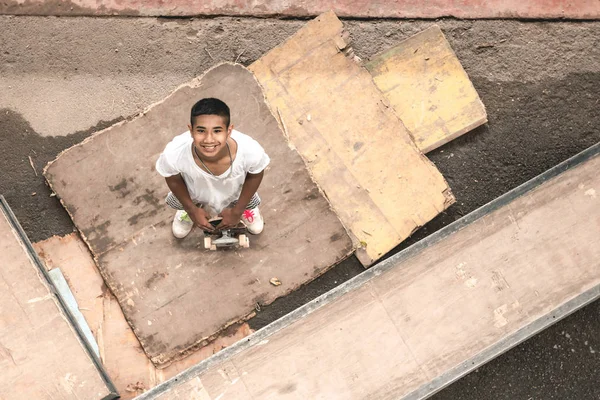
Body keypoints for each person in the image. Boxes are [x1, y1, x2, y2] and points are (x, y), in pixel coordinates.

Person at [155, 97, 269, 239]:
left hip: (234, 191)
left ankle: (245, 209)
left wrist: (237, 211)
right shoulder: (174, 153)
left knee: (241, 200)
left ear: (229, 131)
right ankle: (189, 210)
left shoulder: (250, 151)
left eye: (217, 131)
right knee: (190, 200)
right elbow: (171, 176)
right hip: (195, 191)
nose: (209, 139)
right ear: (191, 131)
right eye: (201, 131)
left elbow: (256, 173)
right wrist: (191, 209)